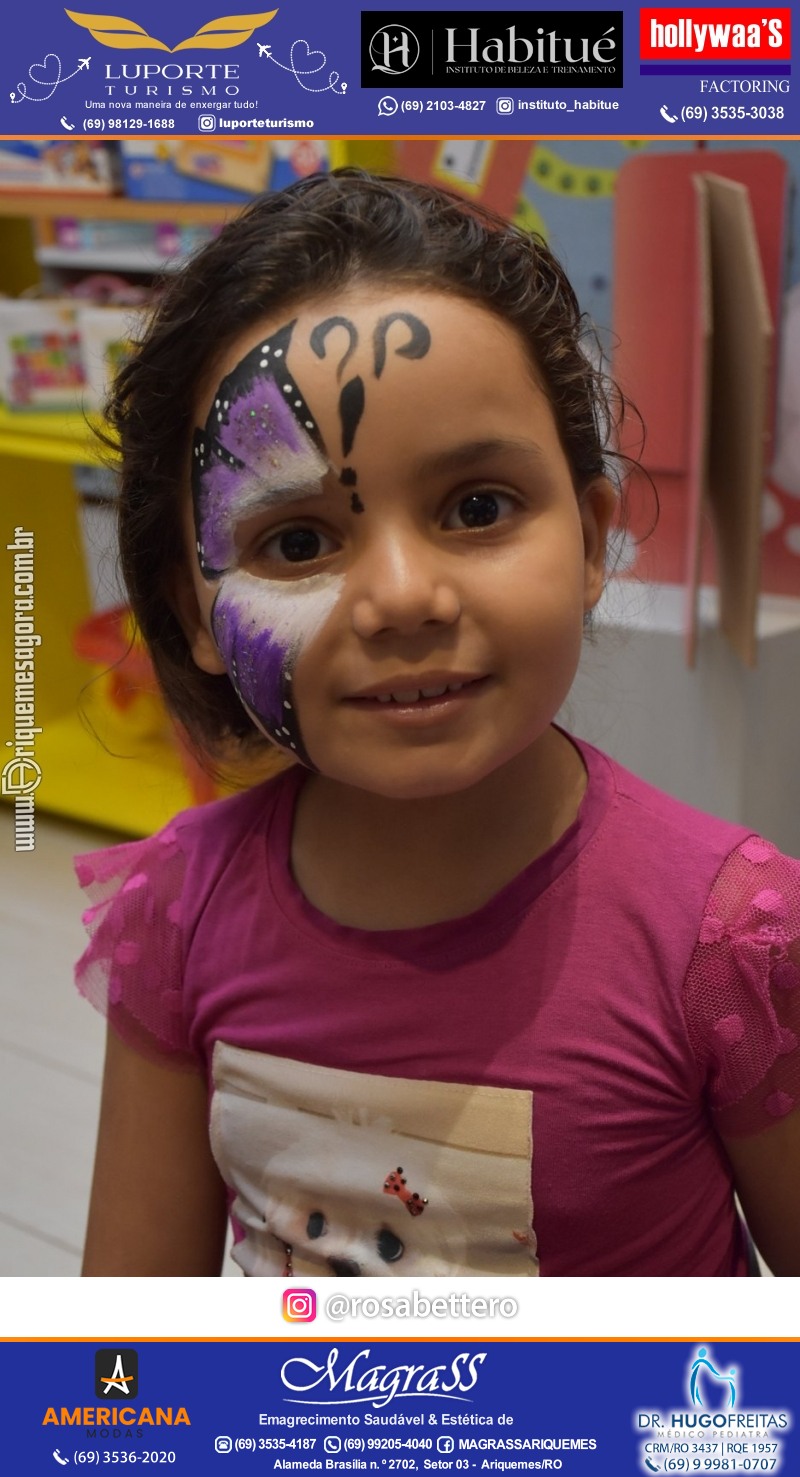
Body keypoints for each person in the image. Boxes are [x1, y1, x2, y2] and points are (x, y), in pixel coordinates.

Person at [75, 171, 800, 1278]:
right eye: (297, 542)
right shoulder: (179, 914)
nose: (403, 596)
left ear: (593, 535)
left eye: (476, 509)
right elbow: (123, 1355)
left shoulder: (728, 942)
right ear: (196, 612)